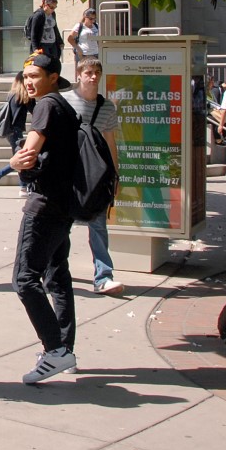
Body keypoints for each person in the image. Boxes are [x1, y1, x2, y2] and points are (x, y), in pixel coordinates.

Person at [8, 52, 84, 384]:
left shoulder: (47, 106)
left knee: (25, 279)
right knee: (57, 277)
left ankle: (56, 350)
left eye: (36, 75)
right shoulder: (65, 107)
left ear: (54, 77)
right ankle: (63, 347)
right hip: (63, 204)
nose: (30, 81)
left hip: (45, 206)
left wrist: (15, 162)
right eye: (26, 76)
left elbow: (28, 154)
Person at [63, 57, 125, 297]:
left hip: (96, 174)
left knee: (98, 225)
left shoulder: (107, 107)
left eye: (97, 72)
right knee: (63, 225)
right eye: (88, 72)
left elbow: (111, 143)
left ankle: (103, 276)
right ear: (79, 74)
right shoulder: (66, 101)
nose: (93, 77)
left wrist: (115, 176)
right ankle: (56, 271)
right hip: (70, 174)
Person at [0, 71, 33, 196]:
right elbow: (35, 110)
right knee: (19, 159)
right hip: (15, 130)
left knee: (19, 158)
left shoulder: (12, 94)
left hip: (10, 131)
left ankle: (22, 187)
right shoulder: (24, 95)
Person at [24, 0, 61, 66]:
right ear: (46, 5)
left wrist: (60, 41)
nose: (53, 10)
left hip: (53, 43)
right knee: (45, 64)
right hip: (43, 44)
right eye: (52, 7)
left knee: (54, 62)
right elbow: (33, 33)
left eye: (55, 7)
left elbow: (55, 28)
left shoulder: (53, 14)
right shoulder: (38, 15)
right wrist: (35, 48)